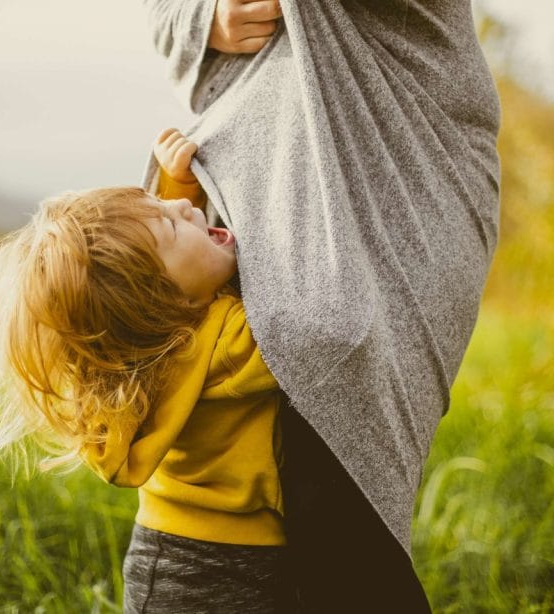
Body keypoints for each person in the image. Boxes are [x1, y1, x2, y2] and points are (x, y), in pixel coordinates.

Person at [142, 0, 500, 611]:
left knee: (342, 527)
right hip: (239, 207)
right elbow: (164, 16)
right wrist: (210, 19)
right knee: (220, 449)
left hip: (393, 173)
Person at [0, 128, 298, 613]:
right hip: (237, 562)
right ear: (164, 300)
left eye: (167, 207)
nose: (186, 209)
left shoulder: (144, 356)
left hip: (166, 551)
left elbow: (177, 271)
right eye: (173, 224)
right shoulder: (232, 342)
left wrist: (176, 188)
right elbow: (311, 315)